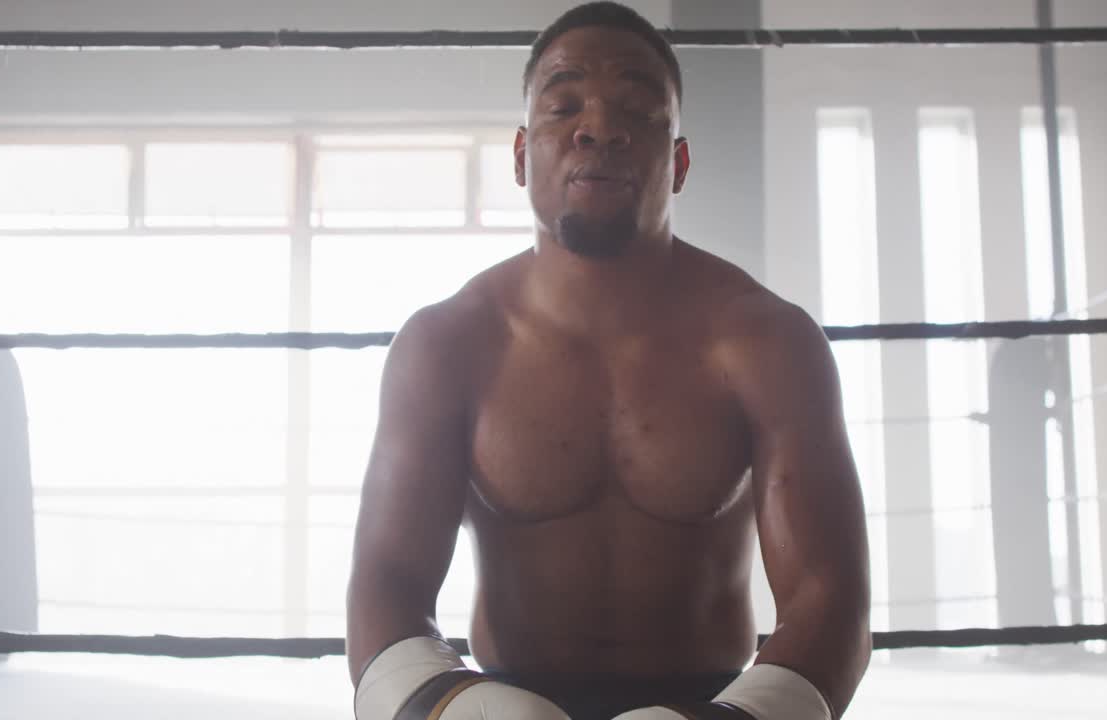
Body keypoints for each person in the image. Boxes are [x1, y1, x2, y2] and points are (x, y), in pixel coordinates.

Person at [346, 3, 871, 718]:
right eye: (563, 107)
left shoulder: (769, 342)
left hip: (714, 703)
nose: (598, 128)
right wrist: (445, 706)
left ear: (678, 161)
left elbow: (828, 596)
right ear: (522, 155)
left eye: (638, 108)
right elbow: (387, 582)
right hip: (498, 698)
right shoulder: (447, 345)